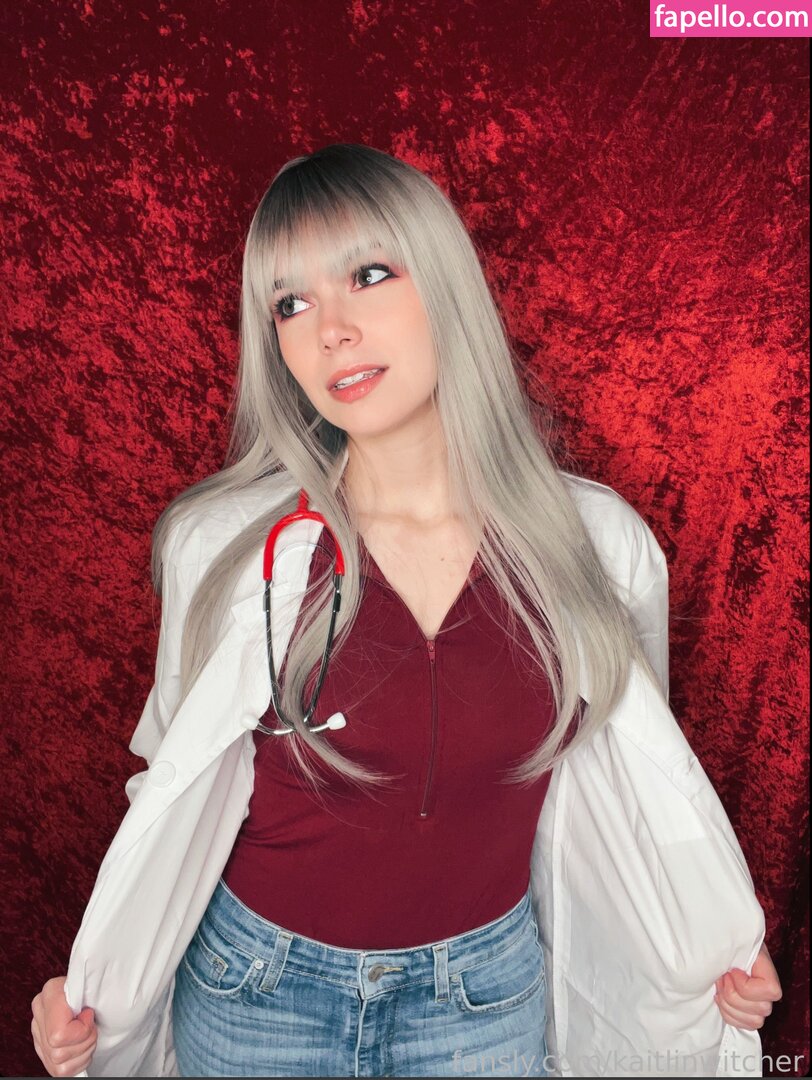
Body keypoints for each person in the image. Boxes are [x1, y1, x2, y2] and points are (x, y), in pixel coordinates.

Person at [31, 143, 782, 1078]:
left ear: (447, 285)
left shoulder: (598, 545)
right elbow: (172, 786)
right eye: (290, 304)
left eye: (369, 275)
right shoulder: (220, 546)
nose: (331, 331)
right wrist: (99, 982)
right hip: (255, 994)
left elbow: (637, 795)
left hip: (484, 1000)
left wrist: (705, 957)